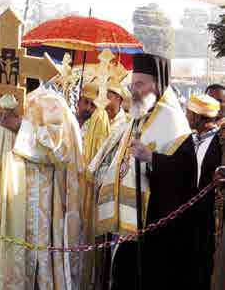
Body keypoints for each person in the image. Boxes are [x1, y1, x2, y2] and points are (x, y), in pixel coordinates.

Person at [88, 53, 199, 290]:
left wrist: (151, 158)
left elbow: (186, 174)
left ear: (157, 85)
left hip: (158, 228)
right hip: (132, 224)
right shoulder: (139, 116)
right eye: (132, 83)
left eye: (140, 84)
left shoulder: (173, 121)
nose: (134, 90)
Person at [0, 87, 85, 289]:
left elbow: (61, 151)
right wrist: (0, 137)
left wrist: (21, 128)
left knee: (35, 266)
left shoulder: (50, 103)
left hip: (39, 205)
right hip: (1, 202)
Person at [186, 94, 221, 290]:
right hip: (189, 214)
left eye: (189, 113)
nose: (187, 116)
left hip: (210, 218)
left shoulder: (219, 142)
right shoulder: (189, 140)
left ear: (199, 117)